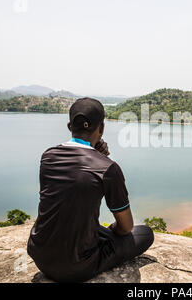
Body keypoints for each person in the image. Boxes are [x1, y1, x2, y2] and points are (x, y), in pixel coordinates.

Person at [27, 97, 154, 282]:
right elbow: (126, 227)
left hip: (41, 257)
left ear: (70, 126)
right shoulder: (108, 168)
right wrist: (111, 232)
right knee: (144, 234)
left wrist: (95, 152)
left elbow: (69, 195)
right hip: (78, 267)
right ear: (101, 128)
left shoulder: (48, 156)